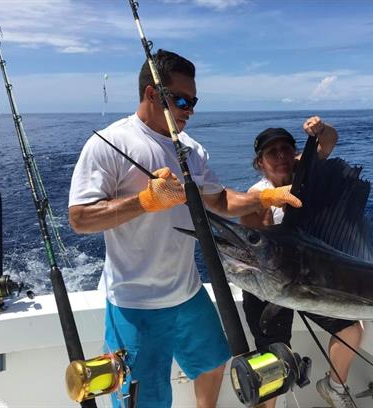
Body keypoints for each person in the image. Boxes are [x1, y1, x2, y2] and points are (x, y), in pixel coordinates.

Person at [68, 49, 301, 408]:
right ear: (151, 94)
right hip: (134, 302)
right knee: (145, 399)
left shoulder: (191, 149)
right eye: (181, 100)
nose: (189, 109)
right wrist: (144, 201)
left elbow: (220, 201)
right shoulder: (108, 144)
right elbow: (80, 218)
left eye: (193, 101)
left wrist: (267, 197)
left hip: (188, 294)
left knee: (212, 365)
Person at [240, 119, 363, 408]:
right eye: (272, 153)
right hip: (268, 288)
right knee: (271, 362)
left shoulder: (306, 174)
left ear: (296, 154)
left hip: (309, 281)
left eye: (286, 150)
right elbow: (253, 249)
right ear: (259, 163)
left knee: (351, 329)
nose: (281, 157)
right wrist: (266, 222)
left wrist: (321, 129)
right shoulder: (256, 195)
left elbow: (329, 140)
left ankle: (334, 387)